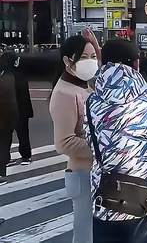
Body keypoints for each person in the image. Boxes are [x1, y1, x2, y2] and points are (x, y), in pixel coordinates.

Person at [87, 40, 147, 242]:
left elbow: (90, 139)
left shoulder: (92, 102)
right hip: (144, 199)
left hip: (105, 197)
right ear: (136, 65)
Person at [50, 31, 100, 243]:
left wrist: (96, 48)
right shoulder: (64, 93)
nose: (90, 62)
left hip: (93, 171)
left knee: (93, 230)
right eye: (84, 57)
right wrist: (103, 148)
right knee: (84, 232)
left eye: (92, 58)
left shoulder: (82, 84)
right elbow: (64, 142)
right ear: (67, 61)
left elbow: (103, 78)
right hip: (82, 173)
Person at [1, 52, 33, 165]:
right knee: (23, 134)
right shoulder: (19, 75)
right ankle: (26, 156)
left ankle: (5, 158)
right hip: (20, 110)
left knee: (6, 136)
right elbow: (24, 95)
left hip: (6, 111)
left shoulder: (3, 74)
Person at [0, 52, 20, 186]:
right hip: (6, 119)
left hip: (6, 118)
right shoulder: (9, 77)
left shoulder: (6, 76)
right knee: (3, 144)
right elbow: (10, 102)